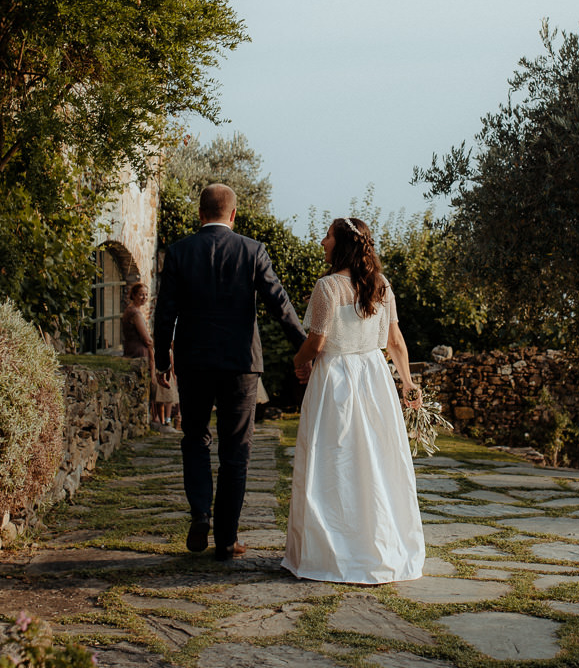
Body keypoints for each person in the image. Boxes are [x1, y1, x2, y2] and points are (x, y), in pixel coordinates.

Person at [154, 183, 308, 560]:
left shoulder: (178, 252)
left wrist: (162, 361)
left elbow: (164, 313)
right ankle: (226, 538)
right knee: (236, 452)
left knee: (194, 438)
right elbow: (280, 305)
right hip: (241, 366)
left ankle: (199, 514)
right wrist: (305, 351)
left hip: (193, 363)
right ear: (234, 214)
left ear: (200, 213)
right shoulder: (253, 251)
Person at [283, 216, 425, 583]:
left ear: (341, 243)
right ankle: (375, 544)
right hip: (375, 380)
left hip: (335, 383)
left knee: (333, 462)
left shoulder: (327, 287)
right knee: (375, 462)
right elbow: (395, 341)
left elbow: (316, 342)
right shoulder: (381, 285)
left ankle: (333, 550)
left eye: (327, 236)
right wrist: (407, 382)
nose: (322, 242)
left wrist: (298, 363)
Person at [120, 283, 177, 430]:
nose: (144, 297)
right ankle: (156, 419)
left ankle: (156, 419)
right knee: (150, 385)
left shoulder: (131, 311)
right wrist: (154, 351)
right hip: (139, 351)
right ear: (133, 295)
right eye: (141, 294)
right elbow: (146, 339)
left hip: (132, 349)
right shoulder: (135, 313)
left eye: (146, 294)